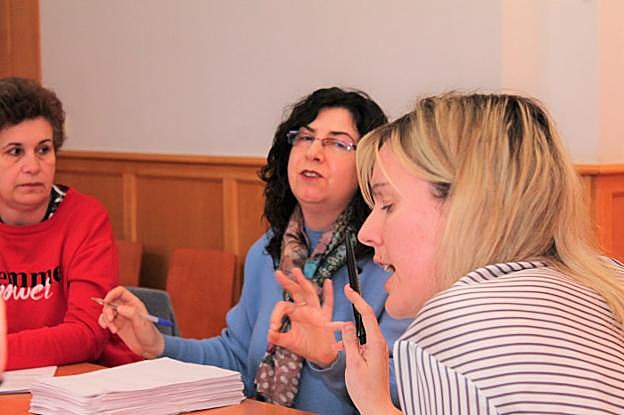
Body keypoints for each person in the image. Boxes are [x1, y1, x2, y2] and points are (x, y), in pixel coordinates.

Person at [98, 87, 411, 414]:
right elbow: (236, 357)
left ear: (368, 166)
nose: (313, 152)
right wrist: (157, 344)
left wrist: (331, 360)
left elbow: (405, 391)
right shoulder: (267, 251)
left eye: (336, 143)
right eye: (305, 137)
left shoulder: (387, 261)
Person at [332, 92, 624, 414]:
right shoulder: (608, 282)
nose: (366, 233)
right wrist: (375, 401)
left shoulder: (457, 323)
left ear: (466, 206)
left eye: (388, 205)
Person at [0, 77, 139, 370]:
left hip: (84, 379)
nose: (33, 166)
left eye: (43, 150)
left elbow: (87, 333)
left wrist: (3, 352)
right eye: (15, 151)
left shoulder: (86, 218)